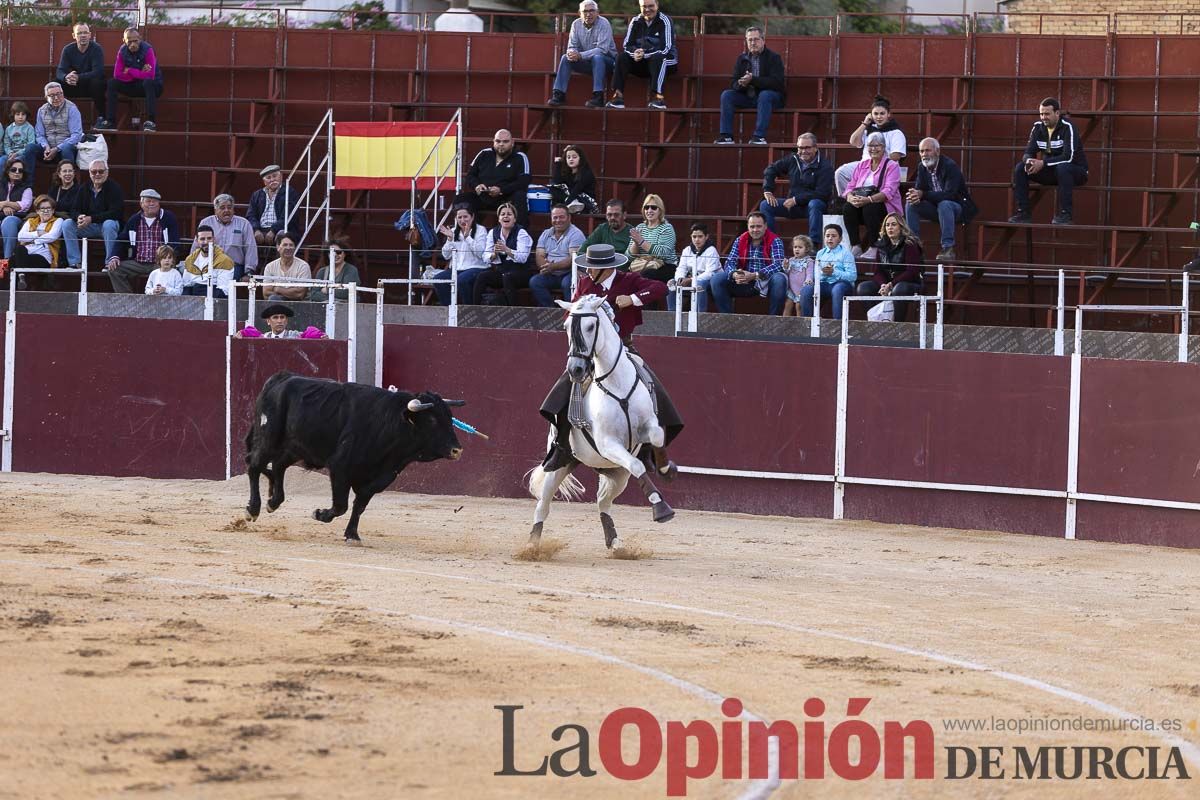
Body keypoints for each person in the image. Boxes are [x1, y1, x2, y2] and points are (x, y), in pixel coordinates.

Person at [538, 243, 682, 477]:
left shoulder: (628, 280)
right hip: (591, 353)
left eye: (592, 268)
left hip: (624, 347)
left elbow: (660, 288)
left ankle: (657, 451)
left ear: (605, 269)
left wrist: (633, 299)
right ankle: (561, 445)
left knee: (652, 386)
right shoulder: (586, 284)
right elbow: (569, 314)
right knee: (564, 390)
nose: (588, 272)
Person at [1008, 97, 1087, 226]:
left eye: (1047, 114)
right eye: (1041, 114)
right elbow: (1028, 151)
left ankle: (1066, 214)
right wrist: (1029, 161)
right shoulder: (1038, 127)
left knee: (1063, 168)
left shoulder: (1069, 127)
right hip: (1052, 172)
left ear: (1057, 113)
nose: (1043, 117)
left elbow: (1068, 157)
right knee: (1020, 168)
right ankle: (1023, 213)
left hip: (1076, 172)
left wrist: (1043, 163)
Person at [904, 137, 975, 263]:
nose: (924, 154)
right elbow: (920, 190)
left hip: (957, 208)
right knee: (911, 203)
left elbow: (950, 195)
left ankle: (948, 248)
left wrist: (922, 194)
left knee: (944, 204)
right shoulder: (922, 167)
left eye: (927, 150)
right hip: (936, 208)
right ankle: (914, 246)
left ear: (937, 151)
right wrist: (915, 195)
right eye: (921, 151)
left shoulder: (950, 166)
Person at [714, 26, 786, 146]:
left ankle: (759, 137)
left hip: (771, 98)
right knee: (727, 95)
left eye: (756, 39)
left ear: (763, 40)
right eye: (750, 40)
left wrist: (753, 80)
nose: (753, 43)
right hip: (748, 97)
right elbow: (733, 83)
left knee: (765, 95)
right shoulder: (741, 59)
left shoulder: (774, 58)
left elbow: (777, 82)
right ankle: (726, 136)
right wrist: (741, 84)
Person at [709, 210, 788, 315]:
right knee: (717, 279)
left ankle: (774, 320)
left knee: (779, 279)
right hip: (743, 281)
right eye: (752, 226)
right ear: (748, 226)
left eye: (759, 226)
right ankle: (727, 318)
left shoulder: (775, 240)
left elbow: (778, 264)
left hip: (765, 281)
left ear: (765, 226)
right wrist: (735, 274)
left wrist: (755, 275)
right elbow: (730, 261)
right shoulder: (740, 239)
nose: (755, 230)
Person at [759, 132, 834, 237]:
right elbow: (771, 169)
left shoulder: (825, 166)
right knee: (765, 205)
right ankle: (772, 243)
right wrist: (767, 190)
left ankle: (813, 245)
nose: (803, 151)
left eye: (807, 148)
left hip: (812, 207)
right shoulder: (793, 159)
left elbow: (822, 193)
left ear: (815, 148)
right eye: (800, 148)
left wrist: (796, 200)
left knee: (815, 204)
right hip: (793, 205)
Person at [106, 188, 180, 293]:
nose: (151, 204)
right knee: (114, 269)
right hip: (138, 262)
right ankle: (128, 300)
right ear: (141, 204)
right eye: (148, 201)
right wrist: (114, 257)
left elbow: (175, 241)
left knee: (167, 273)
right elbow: (122, 239)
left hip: (159, 263)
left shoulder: (168, 218)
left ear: (159, 204)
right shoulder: (134, 220)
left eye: (154, 201)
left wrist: (169, 259)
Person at [607, 0, 677, 110]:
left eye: (651, 6)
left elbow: (665, 48)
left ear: (657, 5)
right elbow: (627, 45)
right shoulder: (635, 21)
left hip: (666, 61)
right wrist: (635, 52)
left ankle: (659, 99)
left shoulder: (665, 20)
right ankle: (617, 98)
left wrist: (644, 54)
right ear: (640, 7)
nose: (647, 9)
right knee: (622, 57)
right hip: (642, 62)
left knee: (658, 57)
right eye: (644, 6)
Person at [841, 132, 902, 259]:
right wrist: (851, 197)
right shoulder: (862, 165)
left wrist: (868, 200)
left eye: (877, 145)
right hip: (862, 203)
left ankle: (874, 247)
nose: (873, 149)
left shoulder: (892, 166)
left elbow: (888, 191)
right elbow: (850, 186)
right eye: (870, 146)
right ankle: (856, 246)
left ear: (884, 147)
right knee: (848, 207)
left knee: (871, 207)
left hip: (885, 206)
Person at [547, 1, 616, 109]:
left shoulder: (604, 23)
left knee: (597, 57)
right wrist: (572, 53)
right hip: (587, 63)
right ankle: (559, 94)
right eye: (585, 11)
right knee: (565, 58)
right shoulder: (576, 24)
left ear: (597, 12)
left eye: (592, 11)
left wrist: (580, 55)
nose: (589, 14)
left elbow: (602, 49)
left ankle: (598, 96)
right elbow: (572, 45)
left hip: (608, 63)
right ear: (580, 13)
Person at [857, 213, 924, 323]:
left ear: (901, 227)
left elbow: (912, 271)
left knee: (899, 289)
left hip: (910, 284)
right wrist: (884, 285)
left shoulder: (910, 244)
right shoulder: (881, 245)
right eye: (887, 225)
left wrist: (891, 284)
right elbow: (877, 271)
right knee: (863, 288)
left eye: (893, 224)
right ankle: (877, 321)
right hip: (888, 283)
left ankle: (898, 324)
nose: (890, 228)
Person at [834, 96, 907, 196]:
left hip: (885, 166)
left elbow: (896, 155)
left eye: (882, 113)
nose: (879, 117)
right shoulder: (869, 129)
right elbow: (853, 141)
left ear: (888, 114)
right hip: (864, 165)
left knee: (871, 181)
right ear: (871, 115)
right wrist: (865, 123)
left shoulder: (896, 132)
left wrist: (876, 163)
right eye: (875, 114)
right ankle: (847, 200)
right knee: (841, 173)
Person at [456, 129, 531, 224]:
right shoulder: (484, 154)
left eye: (505, 141)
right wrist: (477, 185)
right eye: (498, 141)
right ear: (493, 142)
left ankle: (519, 234)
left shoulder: (520, 157)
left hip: (506, 199)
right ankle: (467, 233)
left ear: (512, 142)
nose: (501, 144)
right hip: (483, 196)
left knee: (520, 196)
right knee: (460, 199)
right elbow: (470, 175)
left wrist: (501, 190)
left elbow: (524, 181)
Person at [61, 159, 122, 269]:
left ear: (107, 172)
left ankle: (110, 263)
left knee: (109, 224)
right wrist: (79, 217)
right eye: (94, 172)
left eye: (101, 171)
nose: (97, 174)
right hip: (88, 226)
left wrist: (91, 219)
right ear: (89, 173)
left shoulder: (115, 188)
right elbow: (74, 209)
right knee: (67, 224)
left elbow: (116, 213)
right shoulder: (84, 188)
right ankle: (75, 262)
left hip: (106, 227)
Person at [98, 28, 162, 132]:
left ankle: (151, 121)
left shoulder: (148, 50)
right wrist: (140, 72)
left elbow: (150, 75)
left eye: (135, 41)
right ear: (124, 40)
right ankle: (111, 122)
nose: (133, 44)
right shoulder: (122, 51)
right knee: (112, 83)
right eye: (129, 41)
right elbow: (117, 75)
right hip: (133, 84)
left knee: (148, 82)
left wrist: (130, 70)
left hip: (152, 87)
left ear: (140, 39)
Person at [471, 202, 533, 306]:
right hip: (502, 272)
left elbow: (523, 258)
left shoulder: (521, 232)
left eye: (509, 214)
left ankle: (513, 311)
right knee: (483, 276)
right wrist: (494, 254)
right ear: (499, 218)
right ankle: (474, 308)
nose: (506, 216)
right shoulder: (493, 232)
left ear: (514, 218)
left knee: (508, 277)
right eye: (503, 214)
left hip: (521, 273)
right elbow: (485, 257)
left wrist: (507, 250)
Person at [21, 82, 83, 182]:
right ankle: (27, 186)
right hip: (47, 150)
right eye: (52, 95)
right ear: (46, 97)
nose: (57, 98)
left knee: (67, 148)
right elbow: (39, 134)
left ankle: (70, 186)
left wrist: (57, 148)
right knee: (30, 148)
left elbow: (76, 135)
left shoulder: (72, 108)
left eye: (59, 94)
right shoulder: (41, 110)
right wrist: (46, 147)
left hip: (64, 150)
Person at [529, 203, 587, 306]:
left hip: (571, 273)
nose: (558, 220)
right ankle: (551, 312)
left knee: (567, 283)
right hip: (551, 274)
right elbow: (539, 255)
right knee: (535, 282)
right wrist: (546, 267)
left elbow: (572, 259)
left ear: (569, 218)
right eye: (555, 217)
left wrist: (553, 266)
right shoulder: (546, 233)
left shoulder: (576, 234)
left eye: (561, 217)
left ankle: (571, 314)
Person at [433, 205, 489, 307]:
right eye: (459, 217)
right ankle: (450, 310)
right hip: (457, 269)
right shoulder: (453, 231)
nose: (462, 220)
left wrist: (468, 237)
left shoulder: (481, 230)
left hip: (476, 267)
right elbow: (446, 256)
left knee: (462, 280)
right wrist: (450, 240)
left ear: (472, 217)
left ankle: (468, 310)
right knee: (439, 279)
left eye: (465, 217)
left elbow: (481, 254)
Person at [800, 223, 857, 320]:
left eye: (833, 236)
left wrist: (834, 272)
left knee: (837, 289)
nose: (830, 238)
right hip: (824, 283)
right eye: (827, 236)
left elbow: (852, 276)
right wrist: (823, 273)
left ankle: (838, 323)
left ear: (840, 239)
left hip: (842, 284)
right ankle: (808, 323)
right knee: (806, 289)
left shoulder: (846, 254)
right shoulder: (820, 253)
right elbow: (815, 275)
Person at [195, 193, 257, 278]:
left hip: (234, 266)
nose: (226, 210)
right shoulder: (206, 222)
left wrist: (249, 272)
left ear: (233, 209)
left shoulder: (244, 224)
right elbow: (196, 246)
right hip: (210, 265)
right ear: (215, 210)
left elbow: (250, 248)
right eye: (222, 208)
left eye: (229, 207)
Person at [57, 23, 107, 127]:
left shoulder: (96, 49)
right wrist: (66, 77)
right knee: (55, 84)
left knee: (98, 82)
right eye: (79, 33)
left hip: (91, 87)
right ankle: (57, 116)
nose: (83, 35)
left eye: (85, 33)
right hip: (74, 86)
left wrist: (78, 77)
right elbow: (60, 71)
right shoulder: (68, 49)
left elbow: (99, 72)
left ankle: (102, 118)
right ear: (74, 36)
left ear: (90, 35)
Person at [625, 193, 676, 284]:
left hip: (666, 266)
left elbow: (664, 254)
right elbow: (629, 257)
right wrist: (636, 243)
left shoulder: (666, 228)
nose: (649, 210)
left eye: (653, 207)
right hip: (643, 264)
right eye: (646, 207)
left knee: (646, 275)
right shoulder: (640, 227)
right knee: (627, 276)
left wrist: (641, 242)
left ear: (660, 210)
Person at [669, 222, 720, 312]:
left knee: (699, 284)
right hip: (690, 278)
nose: (697, 240)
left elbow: (710, 273)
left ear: (706, 237)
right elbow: (681, 268)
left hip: (708, 281)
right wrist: (679, 279)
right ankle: (672, 315)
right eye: (694, 237)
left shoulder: (711, 250)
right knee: (671, 284)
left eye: (700, 237)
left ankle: (700, 315)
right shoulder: (687, 250)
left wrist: (691, 280)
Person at [11, 196, 63, 282]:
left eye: (49, 208)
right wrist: (38, 233)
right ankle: (20, 280)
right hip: (26, 254)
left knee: (15, 261)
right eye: (42, 208)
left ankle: (21, 279)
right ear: (37, 211)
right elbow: (20, 236)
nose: (46, 211)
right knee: (18, 251)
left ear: (53, 210)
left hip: (43, 257)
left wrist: (31, 240)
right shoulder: (31, 221)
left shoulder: (58, 221)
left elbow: (51, 237)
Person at [246, 164, 295, 247]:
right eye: (268, 178)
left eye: (275, 176)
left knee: (282, 236)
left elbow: (288, 216)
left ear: (281, 177)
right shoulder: (257, 195)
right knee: (246, 236)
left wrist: (273, 230)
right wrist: (256, 230)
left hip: (280, 229)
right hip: (260, 229)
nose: (272, 180)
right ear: (264, 182)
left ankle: (280, 260)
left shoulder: (289, 192)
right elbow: (251, 215)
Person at [182, 224, 234, 297]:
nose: (206, 242)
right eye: (202, 239)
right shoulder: (190, 260)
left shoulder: (224, 261)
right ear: (197, 240)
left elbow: (224, 291)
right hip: (193, 300)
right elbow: (186, 286)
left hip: (215, 300)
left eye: (209, 238)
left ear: (214, 239)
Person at [261, 231, 311, 300]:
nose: (288, 248)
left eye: (291, 245)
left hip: (298, 306)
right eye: (285, 245)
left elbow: (300, 294)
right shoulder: (270, 267)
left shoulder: (303, 266)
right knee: (274, 298)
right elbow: (266, 293)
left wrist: (278, 289)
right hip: (276, 305)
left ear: (295, 248)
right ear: (278, 247)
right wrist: (290, 292)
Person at [1, 157, 33, 261]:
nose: (17, 172)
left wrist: (5, 203)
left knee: (9, 221)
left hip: (17, 218)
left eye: (20, 170)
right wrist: (5, 206)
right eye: (14, 169)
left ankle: (8, 258)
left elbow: (23, 205)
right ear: (7, 171)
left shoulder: (27, 188)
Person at [550, 145, 597, 214]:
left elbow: (577, 189)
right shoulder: (567, 172)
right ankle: (564, 208)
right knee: (554, 188)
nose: (571, 159)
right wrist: (559, 164)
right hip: (570, 198)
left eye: (574, 157)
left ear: (580, 158)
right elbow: (556, 182)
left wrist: (565, 206)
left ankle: (571, 206)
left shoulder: (587, 173)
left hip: (584, 199)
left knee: (570, 193)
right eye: (568, 157)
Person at [782, 234, 815, 317]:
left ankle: (799, 325)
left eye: (800, 247)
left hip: (802, 289)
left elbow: (810, 273)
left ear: (807, 249)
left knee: (798, 306)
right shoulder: (791, 260)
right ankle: (783, 324)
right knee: (787, 305)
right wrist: (786, 267)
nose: (797, 249)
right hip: (792, 289)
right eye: (795, 247)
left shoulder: (809, 261)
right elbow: (787, 273)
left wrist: (809, 279)